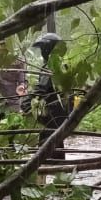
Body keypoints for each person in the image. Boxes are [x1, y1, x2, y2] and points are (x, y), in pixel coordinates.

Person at [25, 32, 71, 160]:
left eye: (42, 49)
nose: (41, 52)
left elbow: (41, 89)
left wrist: (26, 102)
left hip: (52, 114)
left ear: (48, 48)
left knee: (47, 151)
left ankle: (50, 172)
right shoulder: (63, 64)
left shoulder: (51, 66)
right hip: (61, 114)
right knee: (56, 145)